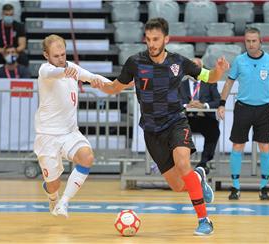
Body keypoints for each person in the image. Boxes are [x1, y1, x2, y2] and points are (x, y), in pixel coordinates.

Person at [98, 18, 230, 235]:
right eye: (148, 39)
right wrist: (94, 82)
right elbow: (114, 88)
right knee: (178, 186)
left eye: (156, 39)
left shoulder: (179, 62)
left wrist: (219, 71)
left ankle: (204, 220)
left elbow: (209, 77)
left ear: (166, 39)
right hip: (151, 130)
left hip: (176, 122)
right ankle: (198, 177)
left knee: (182, 162)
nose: (151, 44)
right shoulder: (134, 63)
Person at [33, 34, 112, 218]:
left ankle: (64, 203)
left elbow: (93, 77)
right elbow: (53, 73)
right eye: (56, 56)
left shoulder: (70, 67)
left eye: (63, 54)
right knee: (54, 185)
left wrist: (118, 84)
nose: (61, 59)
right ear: (46, 55)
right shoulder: (44, 70)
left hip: (70, 132)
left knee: (86, 157)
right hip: (47, 136)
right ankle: (52, 196)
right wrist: (63, 71)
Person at [217, 27, 269, 201]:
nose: (251, 44)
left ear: (261, 41)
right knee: (237, 146)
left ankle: (264, 187)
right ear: (244, 42)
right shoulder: (239, 60)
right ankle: (235, 187)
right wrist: (222, 104)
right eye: (248, 41)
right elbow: (229, 83)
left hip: (264, 109)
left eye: (254, 40)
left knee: (265, 148)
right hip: (243, 108)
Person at [179, 58, 221, 175]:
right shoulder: (180, 84)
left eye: (197, 67)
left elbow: (218, 100)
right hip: (186, 118)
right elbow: (174, 101)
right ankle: (182, 162)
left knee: (214, 131)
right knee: (176, 132)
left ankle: (203, 163)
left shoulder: (210, 83)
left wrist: (204, 105)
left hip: (205, 118)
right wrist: (187, 105)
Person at [0, 3, 28, 77]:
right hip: (0, 52)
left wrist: (13, 52)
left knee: (23, 57)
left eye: (11, 14)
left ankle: (25, 77)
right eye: (6, 14)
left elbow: (22, 44)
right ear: (2, 14)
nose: (9, 16)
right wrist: (3, 51)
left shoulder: (19, 26)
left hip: (14, 52)